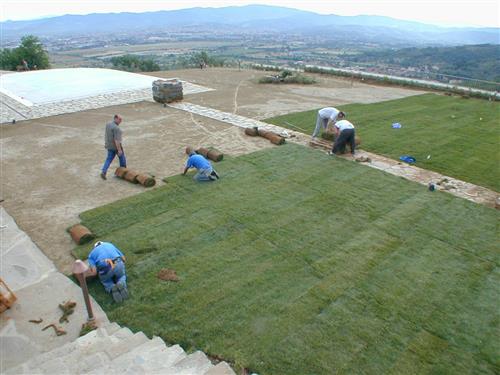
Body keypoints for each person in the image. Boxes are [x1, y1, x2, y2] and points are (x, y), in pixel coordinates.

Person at [101, 114, 126, 180]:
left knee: (108, 159)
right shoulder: (117, 128)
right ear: (115, 118)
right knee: (122, 159)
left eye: (121, 120)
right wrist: (119, 150)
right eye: (119, 119)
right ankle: (124, 172)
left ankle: (103, 172)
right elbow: (117, 140)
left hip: (109, 145)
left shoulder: (108, 124)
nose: (121, 121)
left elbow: (107, 135)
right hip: (115, 147)